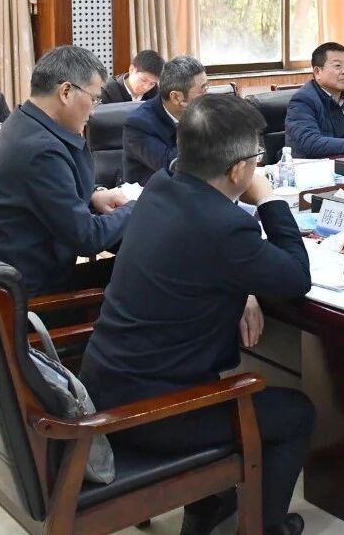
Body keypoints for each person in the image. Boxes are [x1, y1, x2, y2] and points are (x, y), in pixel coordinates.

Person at [80, 95, 313, 535]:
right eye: (256, 158)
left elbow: (201, 254)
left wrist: (243, 285)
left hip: (106, 383)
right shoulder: (225, 227)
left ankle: (209, 508)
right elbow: (296, 277)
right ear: (238, 170)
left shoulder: (161, 186)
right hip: (151, 413)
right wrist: (269, 198)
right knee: (295, 412)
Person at [0, 45, 133, 297]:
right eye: (94, 98)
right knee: (139, 279)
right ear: (66, 92)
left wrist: (94, 194)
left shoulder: (24, 123)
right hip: (24, 294)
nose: (94, 109)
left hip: (12, 275)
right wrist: (134, 208)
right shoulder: (40, 150)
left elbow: (52, 194)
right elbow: (88, 239)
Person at [121, 54, 208, 184]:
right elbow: (174, 166)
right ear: (176, 97)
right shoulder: (138, 124)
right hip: (154, 192)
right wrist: (195, 124)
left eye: (206, 87)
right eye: (202, 90)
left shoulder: (200, 112)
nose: (207, 95)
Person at [99, 49, 163, 103]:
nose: (146, 87)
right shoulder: (106, 92)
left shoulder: (155, 93)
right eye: (143, 80)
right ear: (132, 70)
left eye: (152, 83)